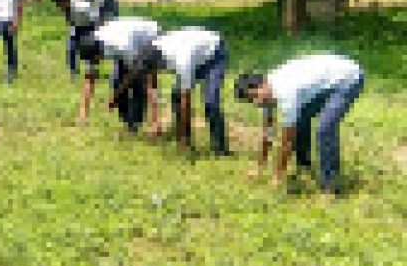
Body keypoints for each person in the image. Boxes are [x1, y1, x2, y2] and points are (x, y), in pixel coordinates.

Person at [235, 54, 364, 193]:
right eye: (251, 100)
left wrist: (277, 176)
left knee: (324, 129)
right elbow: (268, 132)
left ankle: (330, 187)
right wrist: (260, 166)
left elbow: (286, 142)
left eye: (255, 96)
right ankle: (304, 166)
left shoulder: (286, 93)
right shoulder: (267, 91)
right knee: (300, 117)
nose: (256, 102)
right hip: (328, 78)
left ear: (262, 84)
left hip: (349, 78)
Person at [132, 27, 229, 155]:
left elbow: (186, 102)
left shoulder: (181, 59)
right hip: (196, 51)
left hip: (214, 54)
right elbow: (149, 80)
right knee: (176, 96)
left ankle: (220, 148)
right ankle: (185, 140)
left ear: (159, 63)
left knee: (210, 102)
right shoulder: (152, 49)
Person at [75, 16, 160, 131]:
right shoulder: (91, 45)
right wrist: (83, 113)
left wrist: (115, 97)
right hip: (127, 37)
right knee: (116, 81)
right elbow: (89, 79)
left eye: (96, 60)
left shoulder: (122, 45)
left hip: (148, 37)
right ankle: (126, 120)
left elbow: (137, 73)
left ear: (99, 53)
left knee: (138, 84)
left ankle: (135, 123)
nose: (96, 63)